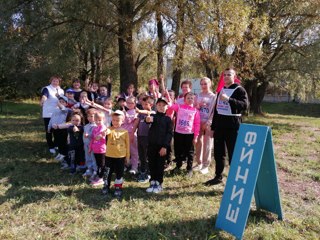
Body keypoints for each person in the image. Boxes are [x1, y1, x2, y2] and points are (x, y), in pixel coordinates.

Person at [204, 68, 249, 186]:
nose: (226, 77)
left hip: (233, 126)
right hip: (220, 126)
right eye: (224, 75)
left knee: (233, 152)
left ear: (234, 76)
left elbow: (244, 106)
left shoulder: (240, 90)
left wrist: (229, 100)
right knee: (219, 153)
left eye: (229, 75)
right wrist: (213, 127)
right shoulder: (221, 91)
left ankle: (234, 179)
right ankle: (218, 176)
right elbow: (217, 110)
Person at [168, 92, 200, 177]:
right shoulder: (179, 107)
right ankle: (178, 166)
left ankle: (189, 169)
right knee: (178, 150)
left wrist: (196, 137)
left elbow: (197, 124)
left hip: (189, 134)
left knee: (190, 152)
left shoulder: (195, 111)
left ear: (194, 100)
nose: (190, 100)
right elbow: (170, 105)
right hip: (178, 133)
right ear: (184, 99)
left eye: (191, 98)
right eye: (188, 98)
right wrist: (167, 94)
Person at [145, 97, 173, 193]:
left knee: (160, 165)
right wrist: (147, 119)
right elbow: (148, 120)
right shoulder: (153, 116)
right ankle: (152, 181)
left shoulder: (168, 119)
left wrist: (165, 146)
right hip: (152, 145)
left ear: (167, 107)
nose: (161, 107)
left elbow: (169, 134)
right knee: (152, 163)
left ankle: (159, 183)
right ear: (156, 106)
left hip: (162, 147)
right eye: (159, 105)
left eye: (163, 105)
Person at [102, 110, 130, 198]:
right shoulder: (109, 129)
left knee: (119, 172)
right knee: (107, 172)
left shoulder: (125, 132)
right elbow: (107, 132)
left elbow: (127, 145)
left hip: (120, 156)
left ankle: (118, 187)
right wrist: (104, 132)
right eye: (113, 120)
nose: (115, 122)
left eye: (117, 120)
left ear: (122, 121)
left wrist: (127, 157)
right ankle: (106, 186)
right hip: (109, 155)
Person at [194, 77, 216, 175]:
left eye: (205, 84)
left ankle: (205, 165)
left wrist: (208, 122)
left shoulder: (213, 96)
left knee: (208, 143)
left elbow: (215, 111)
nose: (203, 86)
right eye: (202, 84)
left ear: (210, 84)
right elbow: (194, 108)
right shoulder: (197, 95)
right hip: (198, 122)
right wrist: (197, 106)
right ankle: (199, 162)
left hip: (208, 123)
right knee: (198, 142)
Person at [132, 96, 155, 182]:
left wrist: (140, 110)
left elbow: (147, 111)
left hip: (148, 138)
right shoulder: (140, 114)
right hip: (140, 137)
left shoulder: (152, 113)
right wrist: (132, 133)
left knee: (147, 156)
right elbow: (136, 123)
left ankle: (148, 173)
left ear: (151, 104)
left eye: (146, 104)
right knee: (141, 155)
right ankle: (142, 171)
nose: (144, 106)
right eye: (143, 104)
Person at [40, 75, 64, 154]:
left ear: (59, 82)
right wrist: (43, 100)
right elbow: (45, 96)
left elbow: (62, 100)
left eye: (57, 81)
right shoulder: (47, 88)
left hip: (58, 113)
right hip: (48, 113)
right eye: (53, 81)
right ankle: (51, 146)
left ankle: (56, 144)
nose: (55, 82)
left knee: (57, 129)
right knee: (49, 130)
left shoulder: (61, 90)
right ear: (51, 81)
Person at [47, 95, 72, 162]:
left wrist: (58, 103)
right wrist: (49, 127)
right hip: (55, 129)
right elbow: (51, 119)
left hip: (62, 129)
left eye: (63, 102)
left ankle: (64, 154)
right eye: (60, 101)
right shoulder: (55, 110)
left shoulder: (66, 110)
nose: (61, 103)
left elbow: (62, 108)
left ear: (66, 104)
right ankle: (60, 153)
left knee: (63, 142)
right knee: (58, 142)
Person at [89, 111, 107, 187]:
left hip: (102, 150)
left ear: (104, 119)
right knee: (98, 164)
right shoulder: (95, 129)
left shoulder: (104, 129)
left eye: (99, 120)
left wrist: (102, 137)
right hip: (95, 149)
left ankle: (101, 178)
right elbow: (93, 139)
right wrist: (90, 147)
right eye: (96, 120)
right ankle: (99, 176)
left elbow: (106, 139)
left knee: (102, 164)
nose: (98, 122)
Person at [122, 96, 139, 174]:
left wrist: (125, 113)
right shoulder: (126, 111)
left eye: (131, 103)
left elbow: (129, 121)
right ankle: (126, 165)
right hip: (123, 133)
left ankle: (134, 167)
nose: (129, 104)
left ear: (135, 103)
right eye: (127, 102)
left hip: (131, 133)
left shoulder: (136, 112)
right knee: (124, 150)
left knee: (133, 151)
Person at [82, 108, 97, 179]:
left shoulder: (96, 126)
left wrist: (89, 135)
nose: (90, 118)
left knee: (93, 157)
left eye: (92, 116)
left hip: (93, 145)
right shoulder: (86, 126)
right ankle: (89, 169)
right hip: (86, 144)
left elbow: (96, 136)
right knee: (87, 156)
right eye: (88, 116)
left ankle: (95, 170)